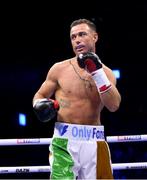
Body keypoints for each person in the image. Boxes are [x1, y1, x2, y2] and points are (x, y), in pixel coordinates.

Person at [32, 18, 121, 179]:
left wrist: (97, 73)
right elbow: (39, 95)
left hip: (95, 141)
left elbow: (114, 105)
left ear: (95, 37)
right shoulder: (59, 69)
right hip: (64, 141)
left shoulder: (106, 73)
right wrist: (39, 104)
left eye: (82, 34)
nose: (77, 40)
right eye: (73, 37)